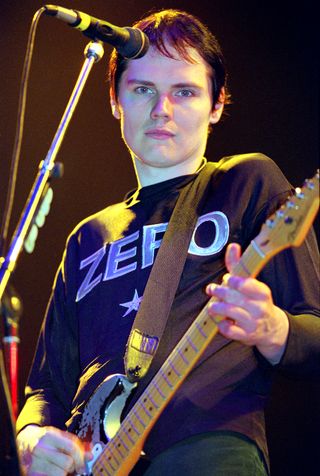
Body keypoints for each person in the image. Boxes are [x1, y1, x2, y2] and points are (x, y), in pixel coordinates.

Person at [16, 8, 319, 476]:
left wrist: (273, 329)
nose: (163, 110)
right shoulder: (88, 236)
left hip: (207, 448)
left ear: (217, 105)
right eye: (143, 90)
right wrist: (32, 438)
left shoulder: (244, 182)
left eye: (185, 91)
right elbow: (46, 388)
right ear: (115, 101)